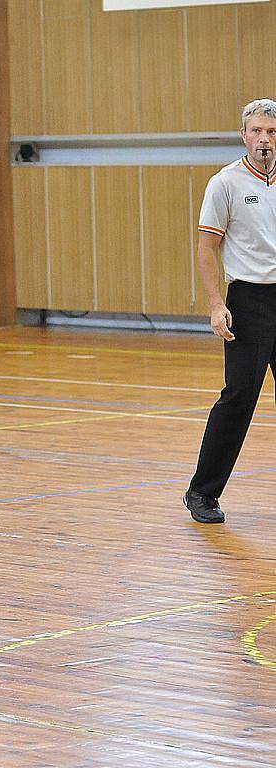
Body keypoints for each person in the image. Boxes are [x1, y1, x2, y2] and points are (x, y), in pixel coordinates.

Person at [184, 98, 276, 524]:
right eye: (257, 131)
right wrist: (216, 303)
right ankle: (202, 492)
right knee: (239, 397)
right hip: (249, 301)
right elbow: (207, 248)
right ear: (244, 136)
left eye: (271, 132)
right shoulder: (225, 183)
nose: (264, 139)